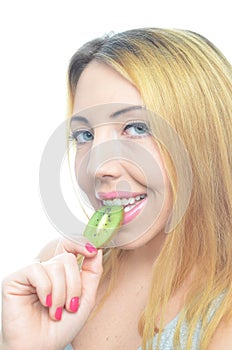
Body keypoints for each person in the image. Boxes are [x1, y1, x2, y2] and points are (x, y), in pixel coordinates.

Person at [1, 28, 232, 350]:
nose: (98, 167)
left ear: (203, 136)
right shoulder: (59, 271)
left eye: (137, 128)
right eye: (84, 135)